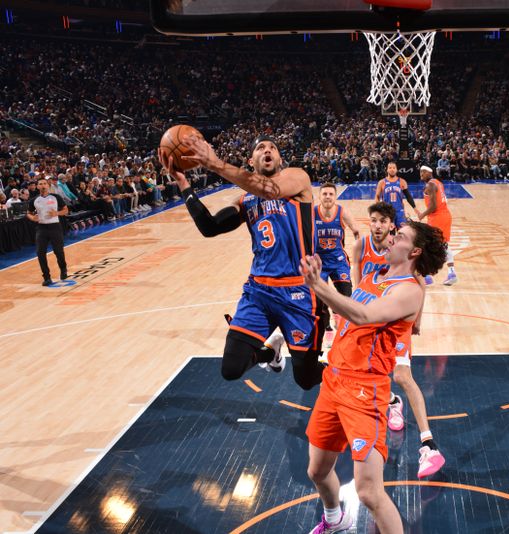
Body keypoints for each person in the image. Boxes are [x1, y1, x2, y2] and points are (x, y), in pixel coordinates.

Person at [301, 220, 447, 534]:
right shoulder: (372, 275)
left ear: (415, 250)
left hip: (364, 391)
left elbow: (364, 315)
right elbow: (351, 314)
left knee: (368, 492)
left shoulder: (409, 290)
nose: (392, 237)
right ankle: (335, 519)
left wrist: (319, 286)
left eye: (401, 236)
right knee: (317, 470)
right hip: (334, 382)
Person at [165, 134, 328, 390]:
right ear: (251, 161)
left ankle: (352, 376)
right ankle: (269, 353)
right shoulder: (245, 200)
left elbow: (267, 189)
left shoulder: (298, 180)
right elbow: (210, 227)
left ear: (280, 159)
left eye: (272, 148)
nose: (267, 150)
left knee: (306, 379)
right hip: (259, 292)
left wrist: (215, 163)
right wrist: (184, 185)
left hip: (299, 291)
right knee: (231, 369)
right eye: (260, 148)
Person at [352, 201, 446, 479]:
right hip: (371, 320)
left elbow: (418, 282)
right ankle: (392, 402)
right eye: (374, 220)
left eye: (384, 221)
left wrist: (416, 317)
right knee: (366, 375)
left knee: (403, 375)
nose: (379, 226)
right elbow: (359, 285)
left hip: (394, 320)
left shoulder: (402, 253)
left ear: (391, 225)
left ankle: (428, 442)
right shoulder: (362, 247)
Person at [315, 182, 360, 345]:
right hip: (318, 262)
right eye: (324, 194)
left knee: (346, 296)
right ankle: (327, 330)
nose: (327, 196)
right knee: (319, 301)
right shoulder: (312, 213)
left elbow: (356, 230)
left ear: (335, 196)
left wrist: (358, 247)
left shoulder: (342, 212)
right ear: (319, 196)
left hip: (338, 260)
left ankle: (339, 319)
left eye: (330, 194)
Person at [416, 165, 457, 286]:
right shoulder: (438, 182)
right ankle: (451, 273)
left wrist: (422, 215)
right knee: (443, 245)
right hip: (445, 216)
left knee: (426, 246)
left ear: (429, 172)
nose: (421, 175)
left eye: (423, 173)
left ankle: (427, 277)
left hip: (437, 218)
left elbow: (433, 206)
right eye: (420, 173)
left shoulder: (430, 185)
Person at [27, 177, 68, 286]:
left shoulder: (56, 197)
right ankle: (47, 277)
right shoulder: (34, 200)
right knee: (40, 253)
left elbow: (66, 210)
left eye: (45, 183)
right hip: (42, 228)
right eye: (40, 184)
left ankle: (63, 269)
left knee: (58, 252)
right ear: (37, 186)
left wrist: (57, 213)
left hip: (55, 227)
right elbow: (28, 213)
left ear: (48, 185)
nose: (43, 185)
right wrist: (32, 218)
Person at [374, 161, 420, 228]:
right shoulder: (382, 182)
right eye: (390, 168)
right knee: (390, 234)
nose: (392, 169)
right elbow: (377, 196)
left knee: (402, 232)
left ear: (396, 169)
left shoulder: (402, 181)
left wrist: (415, 209)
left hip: (399, 212)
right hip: (387, 212)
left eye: (394, 168)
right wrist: (379, 209)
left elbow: (408, 196)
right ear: (387, 170)